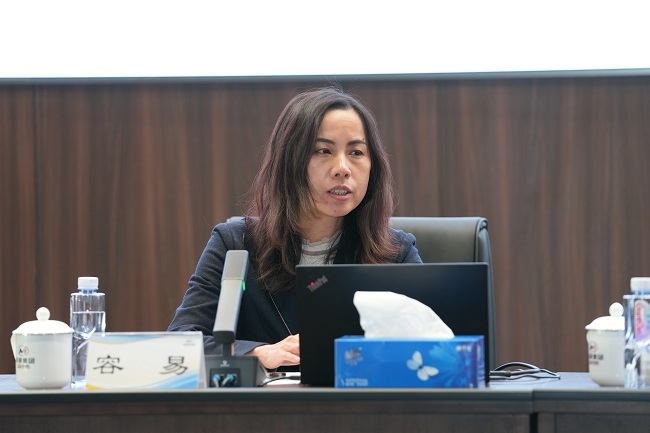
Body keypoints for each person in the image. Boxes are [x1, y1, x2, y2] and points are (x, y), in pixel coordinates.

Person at [167, 86, 422, 371]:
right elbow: (181, 341)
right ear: (290, 161)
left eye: (356, 152)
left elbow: (435, 344)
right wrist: (255, 353)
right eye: (323, 151)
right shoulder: (235, 245)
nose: (342, 168)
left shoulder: (395, 253)